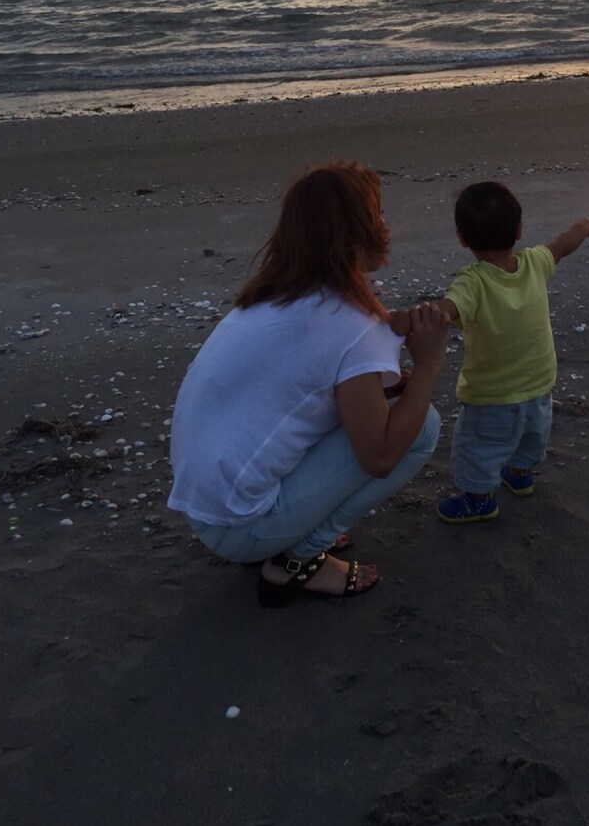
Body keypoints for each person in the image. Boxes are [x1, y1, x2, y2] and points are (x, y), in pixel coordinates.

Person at [167, 161, 447, 606]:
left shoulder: (273, 296)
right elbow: (379, 458)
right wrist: (429, 364)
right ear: (354, 235)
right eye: (378, 215)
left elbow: (298, 389)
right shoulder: (353, 325)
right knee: (422, 426)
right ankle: (298, 559)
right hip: (240, 528)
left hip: (207, 509)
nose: (386, 226)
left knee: (390, 409)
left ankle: (292, 532)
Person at [395, 181, 589, 523]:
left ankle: (478, 500)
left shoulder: (473, 282)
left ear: (461, 237)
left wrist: (403, 320)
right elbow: (563, 245)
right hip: (539, 386)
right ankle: (520, 476)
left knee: (478, 449)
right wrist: (584, 226)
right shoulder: (535, 262)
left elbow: (444, 311)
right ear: (519, 230)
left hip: (492, 395)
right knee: (531, 435)